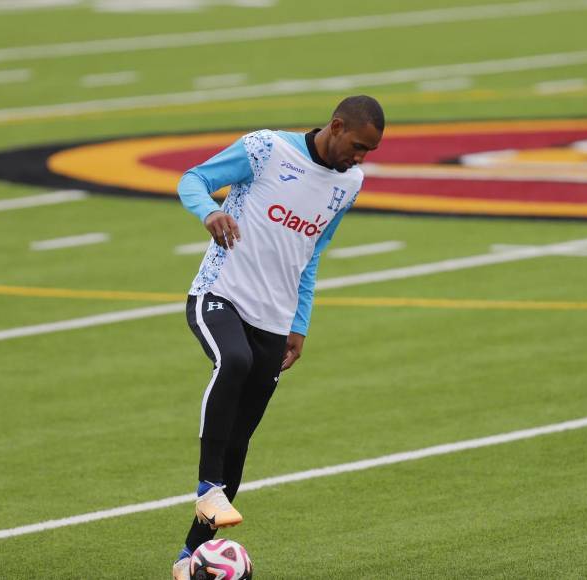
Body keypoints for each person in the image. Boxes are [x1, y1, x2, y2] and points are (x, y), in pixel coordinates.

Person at [171, 95, 384, 579]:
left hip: (276, 317)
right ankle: (207, 486)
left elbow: (312, 254)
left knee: (241, 441)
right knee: (234, 362)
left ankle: (188, 558)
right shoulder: (266, 149)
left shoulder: (349, 184)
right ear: (335, 126)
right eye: (357, 145)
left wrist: (299, 323)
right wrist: (209, 213)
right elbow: (193, 179)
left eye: (368, 152)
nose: (360, 157)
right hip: (220, 293)